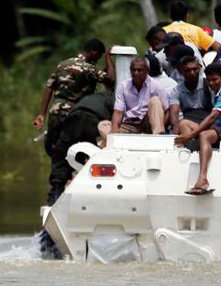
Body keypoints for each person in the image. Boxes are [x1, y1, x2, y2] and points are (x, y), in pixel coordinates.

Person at [34, 39, 116, 204]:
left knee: (57, 151)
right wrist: (108, 57)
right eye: (98, 56)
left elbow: (48, 87)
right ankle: (73, 186)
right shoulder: (88, 68)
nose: (97, 60)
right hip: (74, 114)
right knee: (79, 149)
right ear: (93, 53)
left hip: (55, 112)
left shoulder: (63, 64)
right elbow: (110, 79)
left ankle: (56, 190)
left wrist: (41, 114)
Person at [175, 62, 221, 195]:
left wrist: (190, 136)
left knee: (204, 135)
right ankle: (190, 157)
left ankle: (203, 180)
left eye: (215, 79)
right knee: (185, 123)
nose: (212, 83)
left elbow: (213, 117)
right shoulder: (216, 90)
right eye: (209, 80)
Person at [47, 93, 114, 202]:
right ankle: (89, 190)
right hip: (93, 119)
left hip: (75, 117)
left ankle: (56, 191)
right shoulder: (116, 98)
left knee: (62, 153)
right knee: (90, 156)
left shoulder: (92, 97)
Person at [106, 57, 174, 135]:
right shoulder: (123, 86)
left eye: (139, 70)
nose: (136, 73)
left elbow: (167, 111)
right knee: (104, 125)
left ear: (147, 71)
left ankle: (157, 136)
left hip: (147, 124)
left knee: (155, 100)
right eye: (133, 70)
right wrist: (114, 131)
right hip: (129, 125)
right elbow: (118, 112)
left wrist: (162, 127)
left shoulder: (156, 86)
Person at [173, 56, 212, 123]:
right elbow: (174, 112)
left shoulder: (209, 85)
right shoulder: (177, 90)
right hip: (188, 121)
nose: (192, 73)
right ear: (181, 72)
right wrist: (175, 128)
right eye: (188, 70)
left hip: (208, 121)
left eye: (195, 69)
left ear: (200, 68)